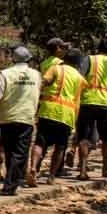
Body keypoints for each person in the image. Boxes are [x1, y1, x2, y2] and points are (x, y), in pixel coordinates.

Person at [0, 46, 42, 195]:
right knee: (20, 152)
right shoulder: (36, 75)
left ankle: (10, 181)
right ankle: (10, 186)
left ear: (13, 59)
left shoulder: (5, 74)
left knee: (10, 151)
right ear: (29, 59)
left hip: (7, 117)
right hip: (26, 117)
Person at [31, 50, 84, 185]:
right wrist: (75, 123)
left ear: (64, 59)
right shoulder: (80, 78)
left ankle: (33, 168)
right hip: (67, 115)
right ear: (78, 64)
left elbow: (44, 82)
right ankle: (52, 176)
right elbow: (77, 101)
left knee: (39, 143)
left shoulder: (56, 69)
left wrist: (37, 97)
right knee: (60, 147)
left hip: (48, 111)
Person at [74, 40, 107, 181]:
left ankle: (82, 170)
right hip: (106, 104)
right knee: (106, 138)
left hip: (87, 102)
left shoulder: (89, 59)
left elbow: (79, 77)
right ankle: (105, 169)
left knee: (84, 137)